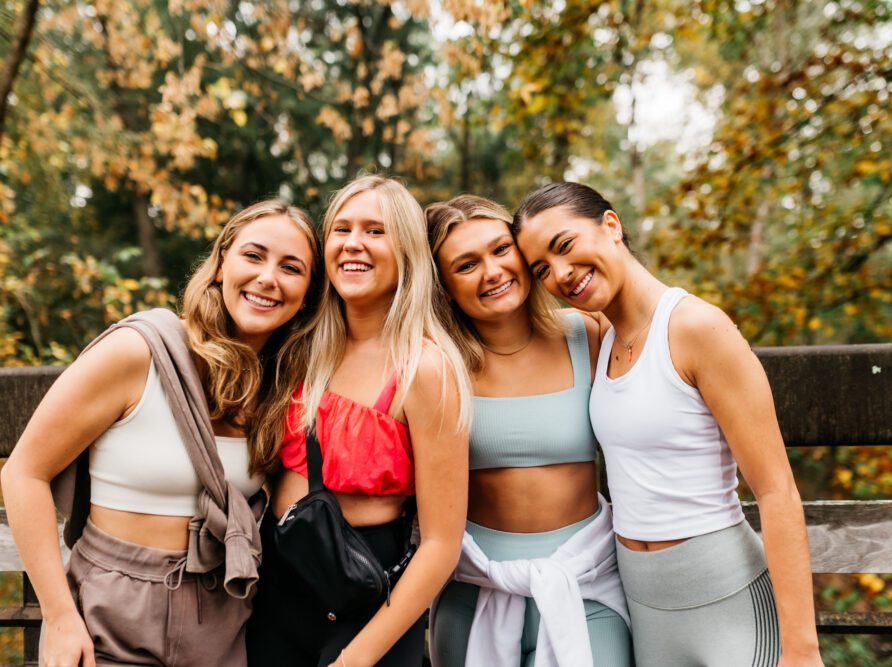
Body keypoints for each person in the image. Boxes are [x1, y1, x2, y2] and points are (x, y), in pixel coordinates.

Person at [512, 181, 823, 667]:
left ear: (610, 226)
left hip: (728, 602)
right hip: (646, 608)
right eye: (541, 269)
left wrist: (802, 652)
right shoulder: (600, 338)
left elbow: (778, 491)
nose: (561, 274)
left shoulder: (697, 328)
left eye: (565, 246)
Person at [1, 199, 319, 667]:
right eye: (253, 256)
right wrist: (61, 618)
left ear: (308, 294)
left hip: (225, 618)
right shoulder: (140, 352)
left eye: (291, 267)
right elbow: (24, 473)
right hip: (109, 616)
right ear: (219, 265)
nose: (268, 277)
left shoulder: (280, 392)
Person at [246, 175, 472, 667]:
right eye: (341, 229)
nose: (353, 244)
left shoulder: (425, 369)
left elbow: (440, 544)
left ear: (406, 248)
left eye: (375, 230)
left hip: (365, 605)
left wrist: (358, 657)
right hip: (274, 595)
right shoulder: (299, 349)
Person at [424, 195, 632, 667]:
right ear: (444, 286)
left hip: (587, 586)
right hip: (475, 588)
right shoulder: (438, 365)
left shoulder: (590, 334)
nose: (492, 272)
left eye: (501, 250)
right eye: (466, 265)